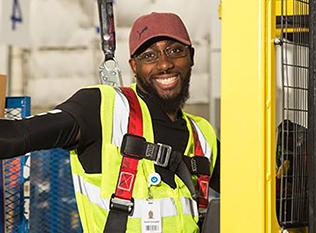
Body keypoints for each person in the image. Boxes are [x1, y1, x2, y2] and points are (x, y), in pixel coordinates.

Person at [0, 12, 220, 233]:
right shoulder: (103, 108)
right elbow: (19, 135)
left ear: (191, 56)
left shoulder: (202, 135)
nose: (164, 64)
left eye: (175, 51)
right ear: (134, 66)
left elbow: (249, 189)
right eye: (149, 55)